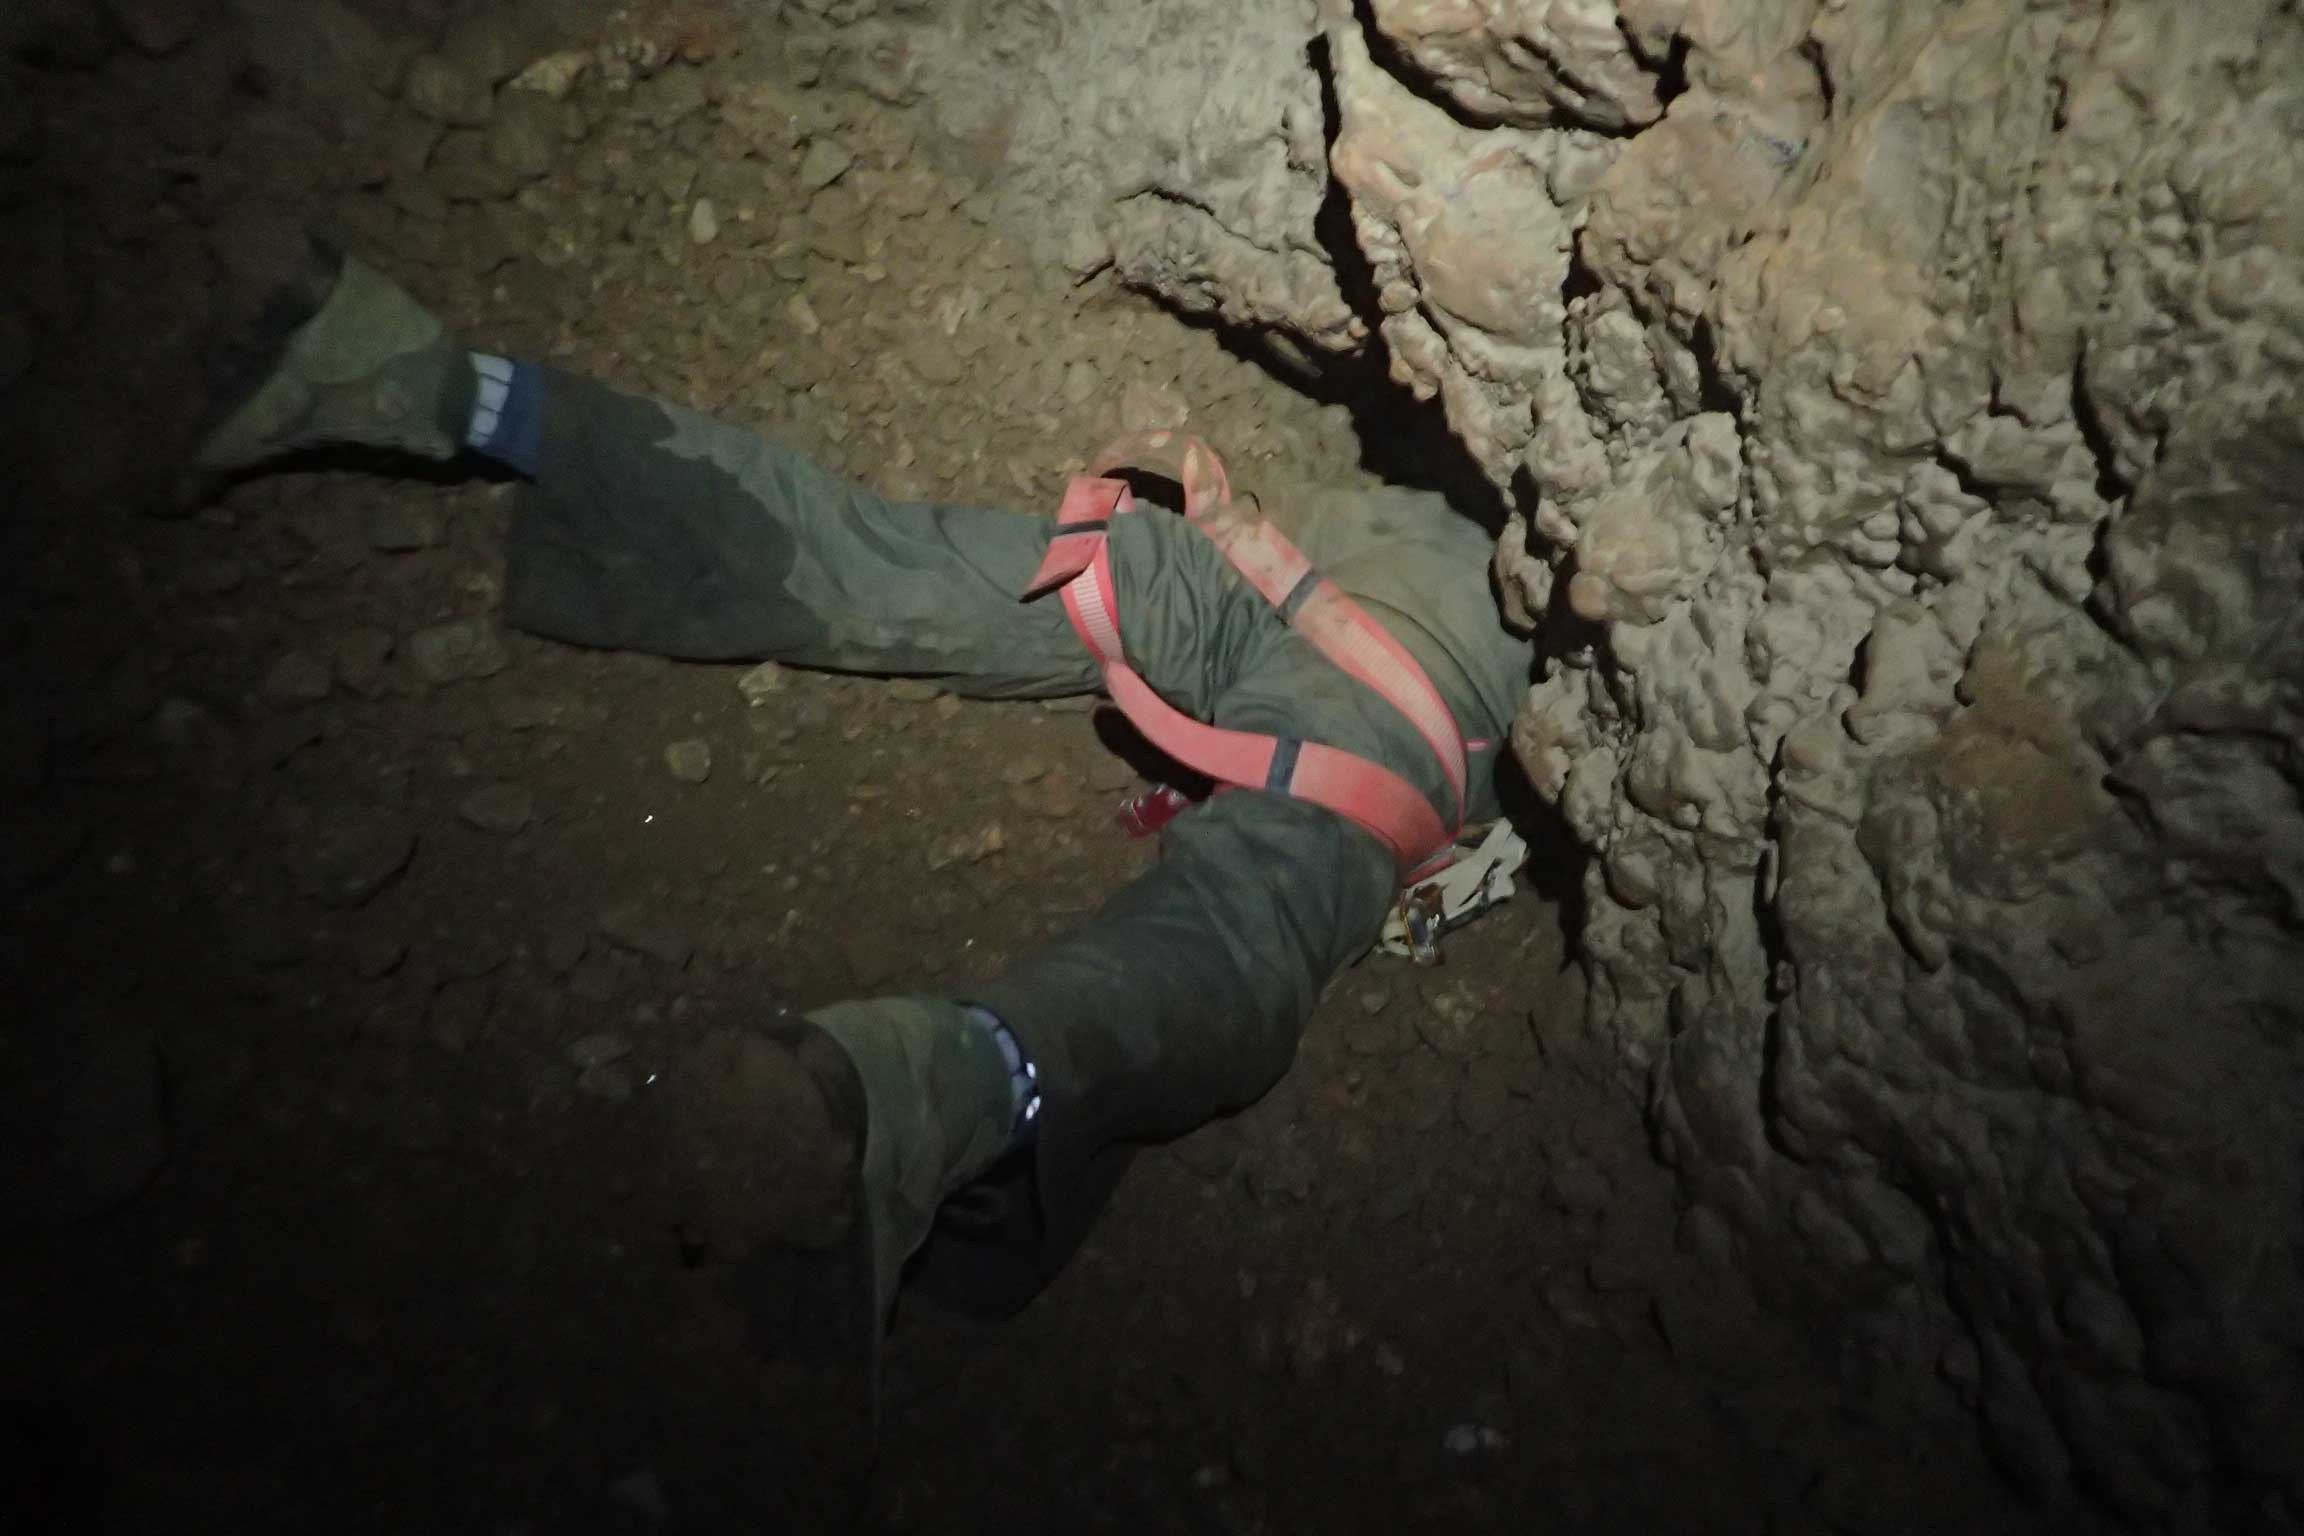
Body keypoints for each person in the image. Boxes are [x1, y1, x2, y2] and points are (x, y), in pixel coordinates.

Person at [188, 243, 1538, 1361]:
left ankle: (431, 381)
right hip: (1442, 660)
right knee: (1249, 933)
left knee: (899, 566)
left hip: (1328, 553)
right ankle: (927, 1091)